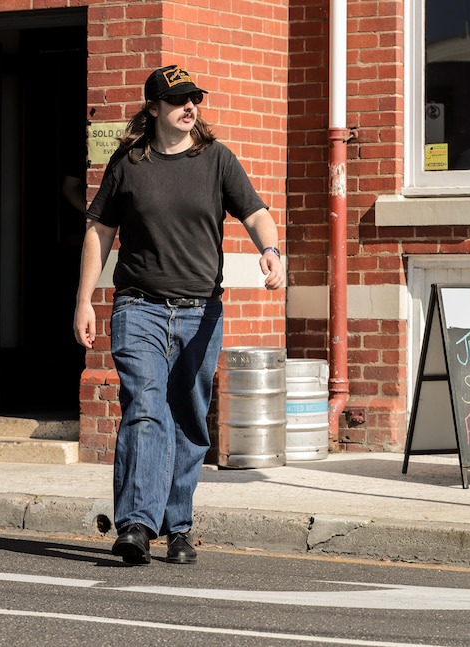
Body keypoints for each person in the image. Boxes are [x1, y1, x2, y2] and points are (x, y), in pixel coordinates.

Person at [73, 64, 284, 566]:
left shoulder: (216, 159)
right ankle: (136, 525)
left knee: (188, 418)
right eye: (178, 101)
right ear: (153, 109)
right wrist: (84, 298)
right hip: (138, 306)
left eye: (195, 99)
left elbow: (254, 211)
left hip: (199, 313)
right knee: (145, 408)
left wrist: (271, 249)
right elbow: (99, 231)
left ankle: (178, 525)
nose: (190, 107)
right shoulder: (129, 163)